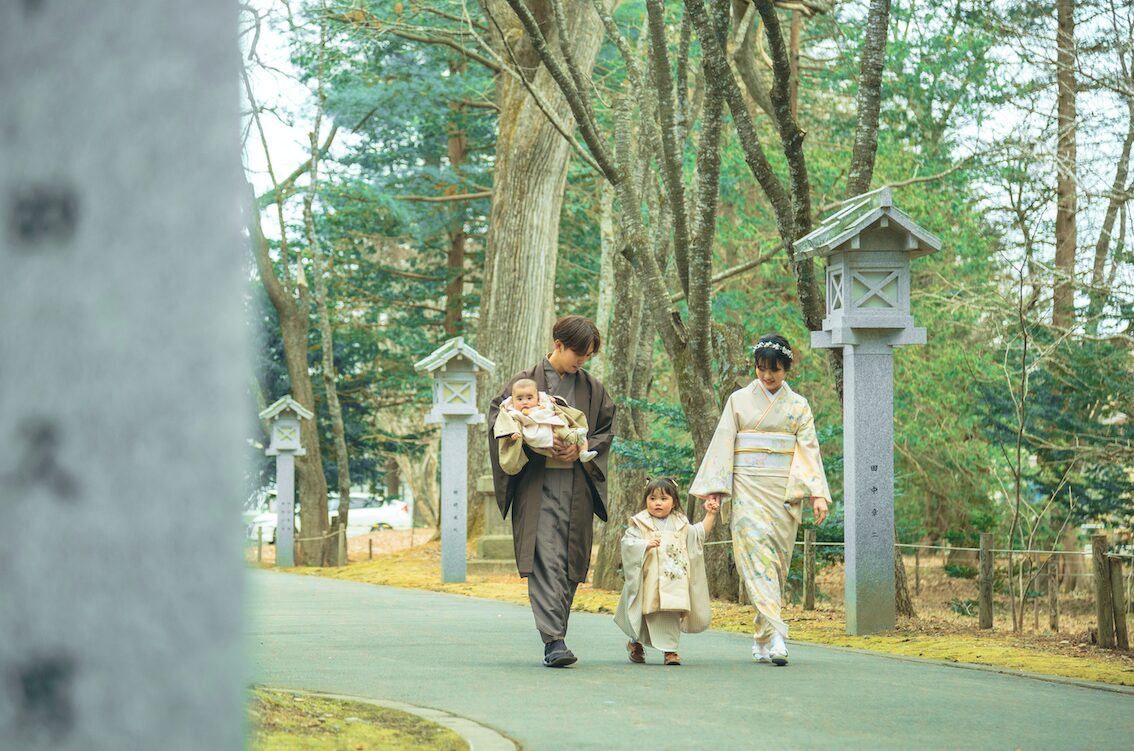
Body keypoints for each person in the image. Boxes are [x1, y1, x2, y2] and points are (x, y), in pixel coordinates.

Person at [690, 334, 831, 666]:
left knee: (776, 567)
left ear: (786, 370)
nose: (768, 376)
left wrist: (817, 494)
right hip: (747, 491)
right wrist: (716, 487)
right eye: (762, 369)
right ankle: (778, 635)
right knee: (756, 561)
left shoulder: (798, 406)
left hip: (784, 492)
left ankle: (762, 635)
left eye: (775, 370)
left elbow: (808, 449)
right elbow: (723, 442)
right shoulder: (738, 401)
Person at [487, 315, 616, 667]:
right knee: (545, 556)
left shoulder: (593, 389)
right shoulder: (524, 383)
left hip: (577, 483)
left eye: (588, 356)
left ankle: (557, 630)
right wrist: (533, 445)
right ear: (559, 345)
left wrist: (580, 448)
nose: (582, 361)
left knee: (570, 561)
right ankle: (553, 640)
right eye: (579, 353)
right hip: (537, 484)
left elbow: (605, 431)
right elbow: (499, 422)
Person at [614, 477, 719, 666]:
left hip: (674, 580)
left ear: (674, 502)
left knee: (671, 612)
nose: (657, 503)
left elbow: (698, 535)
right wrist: (644, 545)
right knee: (645, 614)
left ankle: (670, 651)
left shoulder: (681, 524)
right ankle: (635, 643)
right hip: (649, 579)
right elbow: (627, 544)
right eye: (652, 498)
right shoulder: (640, 523)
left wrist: (710, 514)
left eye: (663, 499)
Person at [492, 378, 596, 475]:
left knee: (573, 429)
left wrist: (576, 451)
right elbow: (504, 424)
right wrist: (515, 433)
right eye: (519, 399)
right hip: (536, 458)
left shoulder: (543, 403)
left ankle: (582, 450)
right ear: (512, 400)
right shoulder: (512, 411)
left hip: (557, 428)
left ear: (537, 397)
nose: (525, 402)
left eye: (529, 398)